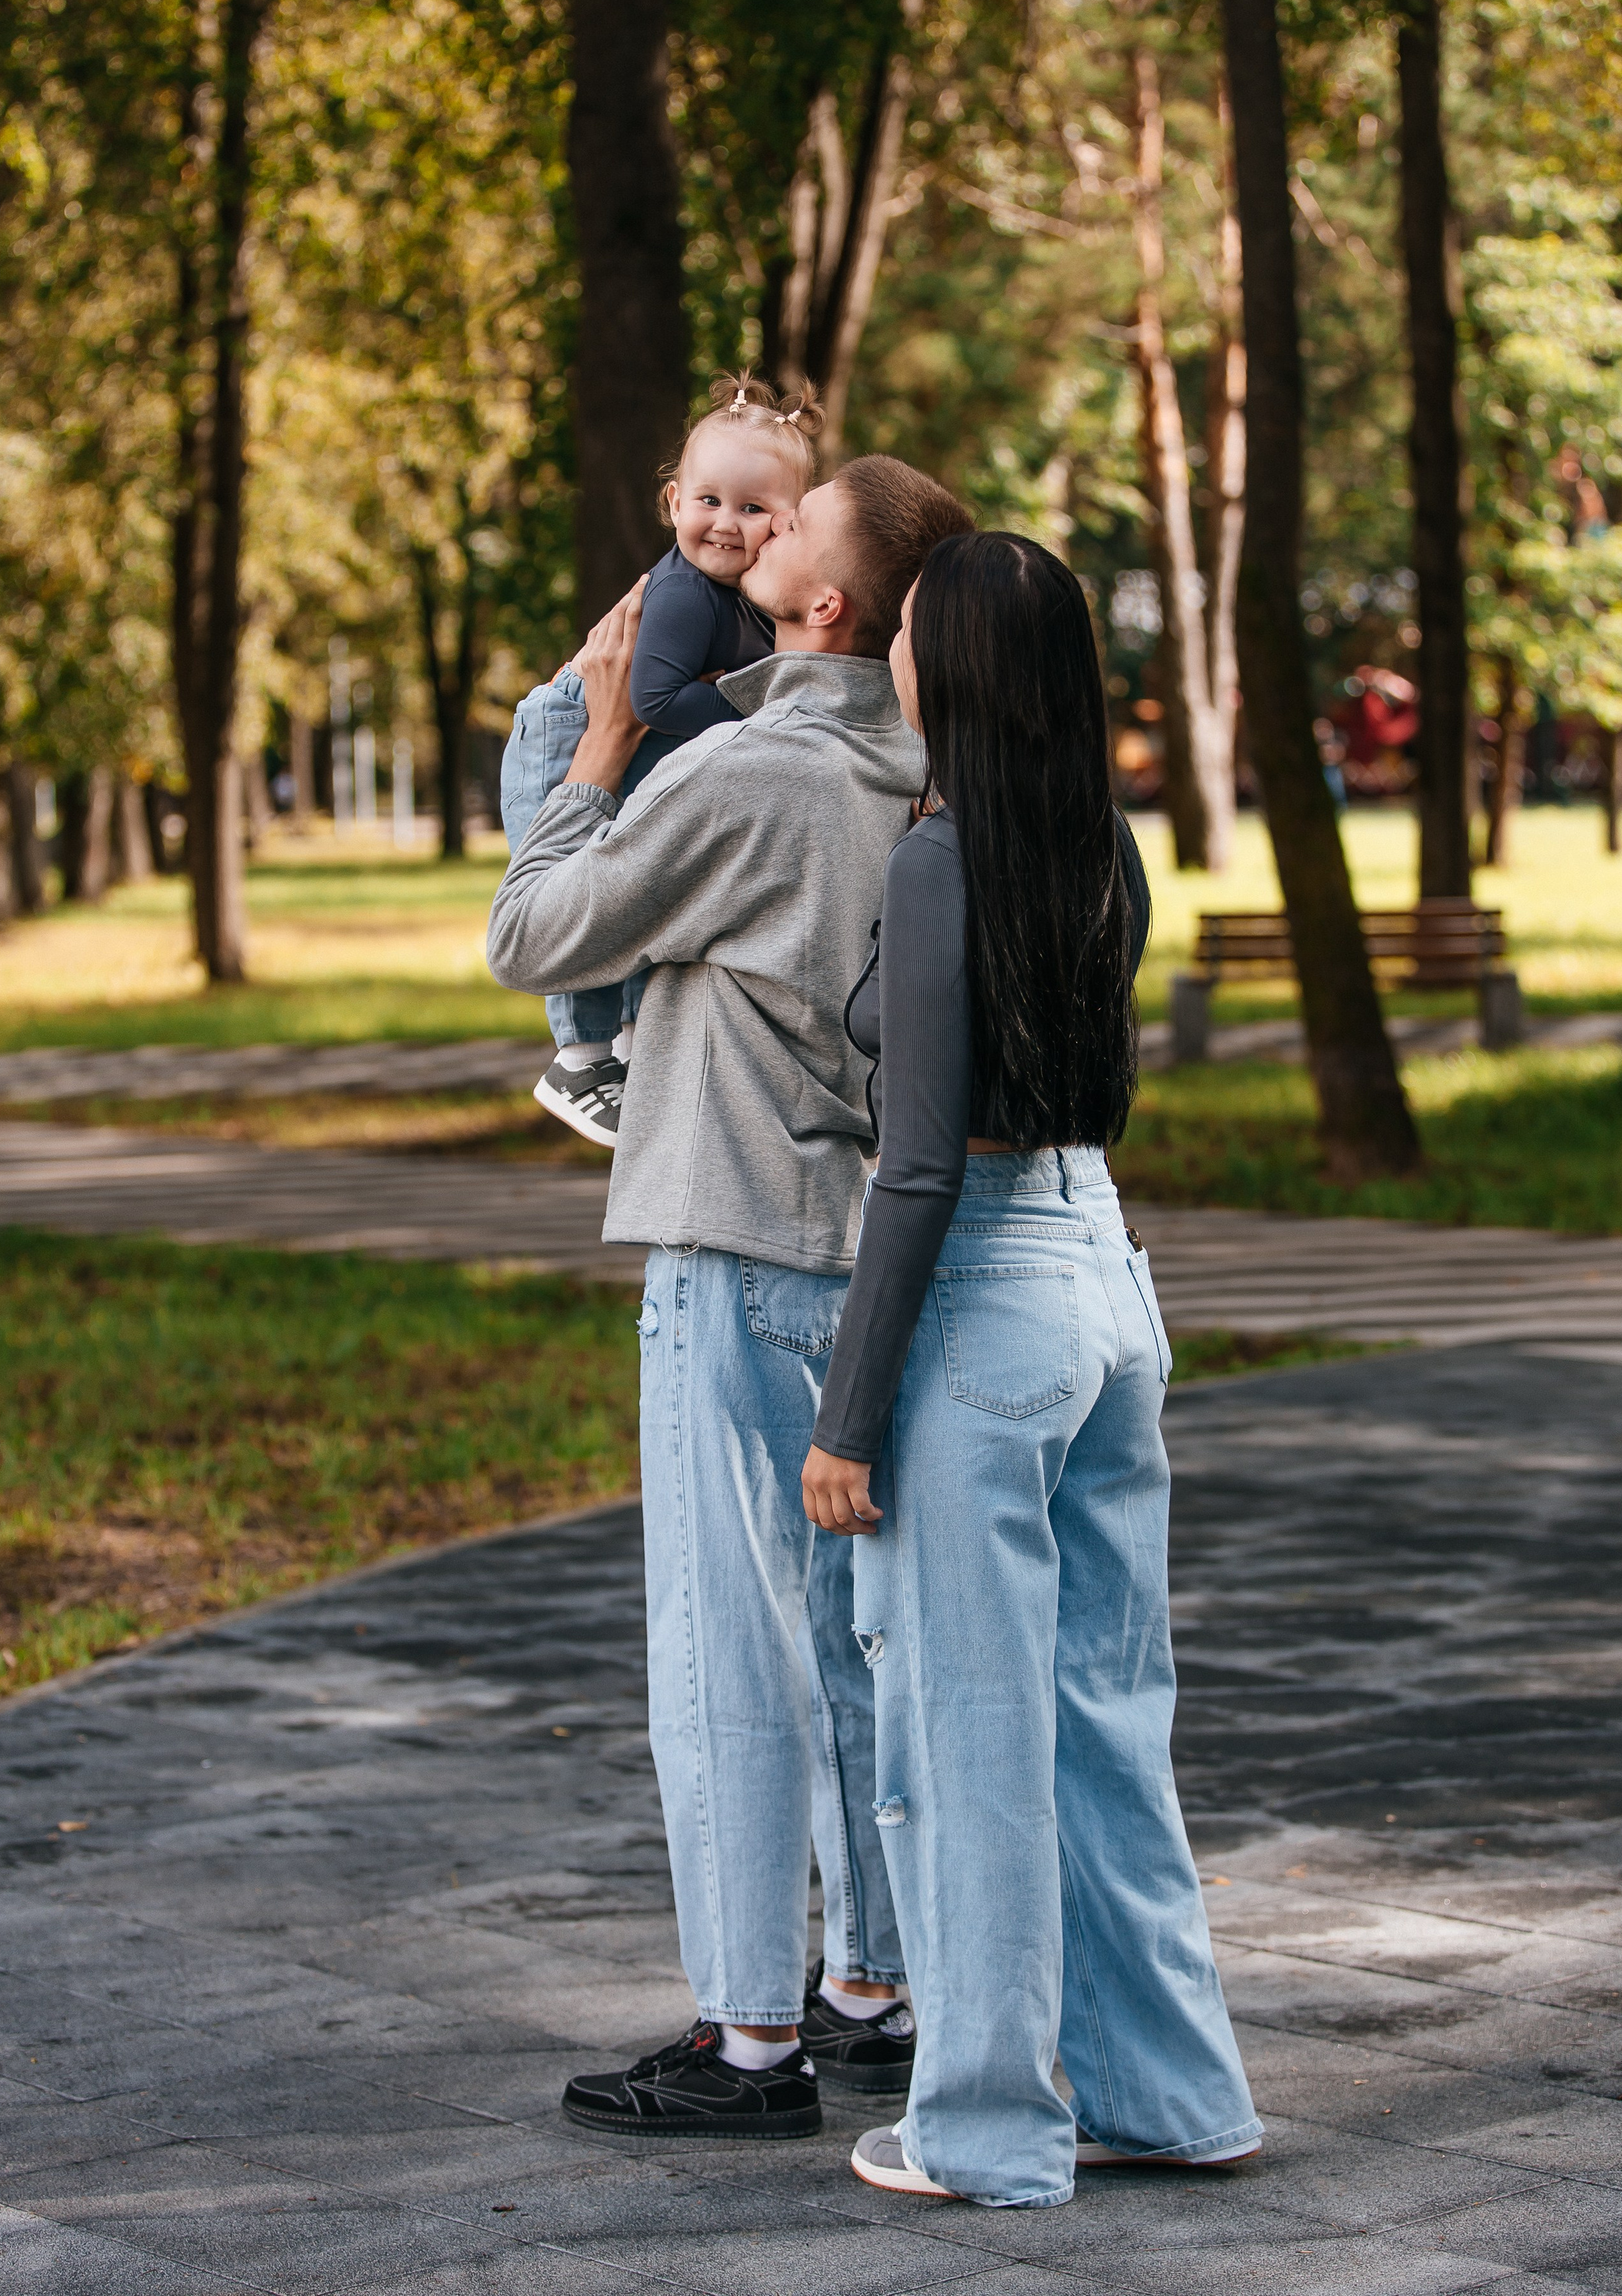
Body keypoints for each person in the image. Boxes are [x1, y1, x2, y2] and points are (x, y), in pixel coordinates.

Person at [487, 455, 975, 2141]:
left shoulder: (750, 771)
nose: (759, 528)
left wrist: (600, 750)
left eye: (797, 519)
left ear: (827, 597)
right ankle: (868, 1986)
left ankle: (745, 2033)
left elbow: (535, 930)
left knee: (721, 1644)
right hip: (875, 1247)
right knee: (856, 1638)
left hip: (732, 1232)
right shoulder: (926, 759)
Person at [801, 531, 1262, 2206]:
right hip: (1106, 1280)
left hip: (987, 1295)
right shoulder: (1098, 848)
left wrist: (847, 1418)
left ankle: (984, 2128)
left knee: (969, 1739)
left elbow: (918, 1165)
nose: (894, 651)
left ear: (960, 668)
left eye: (911, 632)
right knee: (1102, 1723)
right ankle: (1174, 2093)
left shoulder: (941, 858)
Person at [500, 373, 822, 1149]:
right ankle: (578, 1057)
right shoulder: (683, 594)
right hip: (567, 734)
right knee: (580, 891)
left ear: (787, 524)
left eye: (751, 509)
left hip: (641, 751)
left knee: (644, 881)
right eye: (707, 501)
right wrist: (764, 706)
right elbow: (656, 702)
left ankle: (638, 1040)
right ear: (674, 501)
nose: (723, 523)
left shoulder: (745, 595)